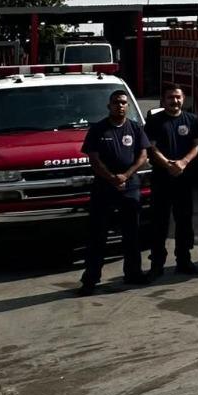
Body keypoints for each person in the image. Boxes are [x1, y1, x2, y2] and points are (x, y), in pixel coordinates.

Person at [78, 88, 150, 295]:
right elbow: (94, 158)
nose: (120, 106)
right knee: (98, 235)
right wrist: (111, 178)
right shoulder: (98, 129)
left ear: (128, 106)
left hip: (130, 187)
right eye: (116, 102)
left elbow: (143, 156)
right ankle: (91, 279)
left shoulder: (135, 128)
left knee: (132, 233)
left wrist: (125, 176)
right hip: (104, 187)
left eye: (123, 103)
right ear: (109, 106)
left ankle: (133, 273)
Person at [143, 83, 198, 278]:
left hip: (184, 180)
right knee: (159, 223)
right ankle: (157, 264)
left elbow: (197, 145)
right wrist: (168, 165)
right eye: (170, 97)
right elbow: (151, 147)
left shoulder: (192, 120)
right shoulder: (155, 121)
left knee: (184, 222)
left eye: (178, 97)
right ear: (163, 100)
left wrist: (183, 162)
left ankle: (184, 260)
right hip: (161, 180)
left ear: (183, 99)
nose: (174, 101)